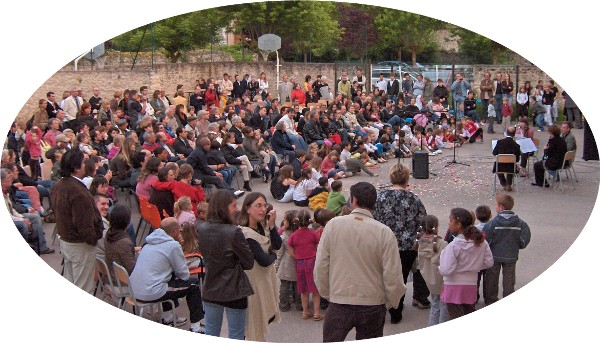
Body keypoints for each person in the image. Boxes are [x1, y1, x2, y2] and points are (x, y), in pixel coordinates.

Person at [315, 182, 406, 341]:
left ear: (353, 200)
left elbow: (321, 266)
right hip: (372, 302)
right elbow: (393, 274)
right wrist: (390, 302)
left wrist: (328, 294)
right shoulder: (384, 232)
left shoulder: (333, 225)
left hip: (339, 300)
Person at [372, 163, 430, 323]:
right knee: (401, 278)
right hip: (407, 246)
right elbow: (423, 221)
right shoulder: (414, 199)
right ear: (406, 178)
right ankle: (396, 309)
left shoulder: (381, 197)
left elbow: (373, 219)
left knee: (384, 276)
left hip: (384, 244)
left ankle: (388, 307)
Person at [198, 190, 255, 340]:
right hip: (234, 288)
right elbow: (249, 263)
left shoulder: (202, 228)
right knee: (236, 334)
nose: (237, 209)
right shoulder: (233, 232)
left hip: (210, 285)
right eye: (234, 205)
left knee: (211, 332)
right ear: (224, 207)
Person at [130, 217, 204, 332]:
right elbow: (184, 275)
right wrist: (178, 246)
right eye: (179, 230)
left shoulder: (148, 241)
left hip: (134, 290)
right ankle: (196, 327)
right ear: (175, 231)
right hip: (151, 291)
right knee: (193, 285)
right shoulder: (173, 245)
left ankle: (168, 317)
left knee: (168, 280)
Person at [51, 149, 104, 293]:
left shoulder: (59, 186)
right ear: (76, 168)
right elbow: (83, 224)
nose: (86, 164)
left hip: (67, 240)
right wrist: (93, 240)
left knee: (72, 282)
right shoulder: (77, 192)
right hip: (80, 245)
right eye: (83, 162)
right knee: (83, 287)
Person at [238, 192, 282, 342]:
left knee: (266, 315)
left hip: (265, 279)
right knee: (255, 321)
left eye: (264, 205)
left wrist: (272, 225)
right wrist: (274, 255)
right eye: (258, 206)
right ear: (247, 209)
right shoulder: (245, 233)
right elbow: (263, 259)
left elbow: (277, 244)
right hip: (254, 283)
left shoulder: (261, 226)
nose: (263, 209)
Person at [439, 208, 493, 319]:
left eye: (450, 220)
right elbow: (489, 262)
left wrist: (440, 267)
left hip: (453, 287)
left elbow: (446, 270)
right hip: (470, 285)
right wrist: (475, 266)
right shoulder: (481, 243)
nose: (449, 223)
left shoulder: (453, 246)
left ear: (458, 224)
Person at [483, 194, 531, 305]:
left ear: (501, 207)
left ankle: (491, 300)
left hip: (494, 255)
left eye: (496, 205)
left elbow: (486, 237)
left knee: (492, 278)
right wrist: (518, 246)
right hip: (511, 255)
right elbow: (524, 238)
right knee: (509, 279)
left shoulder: (493, 223)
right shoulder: (520, 223)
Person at [287, 209, 323, 321]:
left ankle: (305, 312)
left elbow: (291, 252)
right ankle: (317, 313)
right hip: (312, 262)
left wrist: (299, 257)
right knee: (316, 290)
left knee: (304, 290)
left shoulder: (293, 236)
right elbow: (319, 248)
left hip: (300, 263)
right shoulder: (314, 233)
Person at [413, 215, 448, 326]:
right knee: (443, 306)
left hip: (429, 279)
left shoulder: (418, 243)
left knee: (435, 305)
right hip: (441, 280)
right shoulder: (442, 244)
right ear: (436, 228)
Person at [275, 210, 301, 312]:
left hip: (286, 266)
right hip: (298, 265)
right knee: (298, 286)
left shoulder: (284, 236)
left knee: (284, 286)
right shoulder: (300, 235)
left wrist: (276, 267)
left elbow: (279, 253)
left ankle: (284, 305)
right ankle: (299, 304)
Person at [104, 204, 137, 281]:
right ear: (126, 221)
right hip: (122, 281)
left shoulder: (109, 233)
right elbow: (132, 269)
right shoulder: (124, 242)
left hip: (112, 276)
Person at [493, 126, 521, 192]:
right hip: (511, 167)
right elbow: (517, 159)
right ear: (514, 134)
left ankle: (504, 183)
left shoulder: (499, 142)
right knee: (511, 164)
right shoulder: (516, 145)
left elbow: (494, 153)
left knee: (497, 164)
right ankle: (509, 183)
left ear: (506, 133)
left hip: (500, 166)